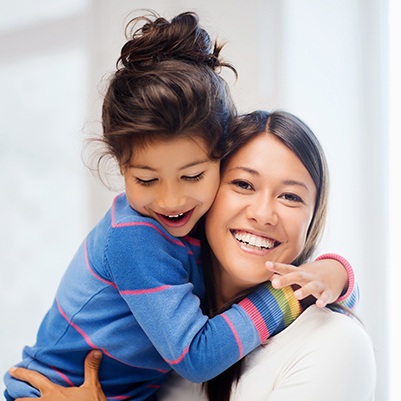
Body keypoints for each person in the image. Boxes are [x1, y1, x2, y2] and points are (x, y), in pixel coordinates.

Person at [4, 11, 358, 401]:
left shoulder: (196, 232)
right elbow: (197, 356)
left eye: (192, 177)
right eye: (146, 180)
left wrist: (333, 274)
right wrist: (293, 295)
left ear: (217, 157)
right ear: (120, 167)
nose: (171, 201)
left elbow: (325, 294)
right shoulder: (135, 239)